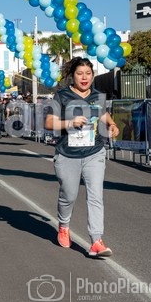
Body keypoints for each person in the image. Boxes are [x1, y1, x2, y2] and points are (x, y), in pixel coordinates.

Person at [44, 57, 120, 257]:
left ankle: (96, 241)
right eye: (80, 73)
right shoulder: (61, 96)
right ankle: (64, 225)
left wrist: (112, 124)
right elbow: (49, 122)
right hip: (67, 153)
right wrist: (70, 123)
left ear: (93, 75)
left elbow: (102, 114)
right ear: (73, 76)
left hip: (94, 152)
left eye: (88, 73)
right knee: (69, 195)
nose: (84, 77)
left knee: (95, 195)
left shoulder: (98, 96)